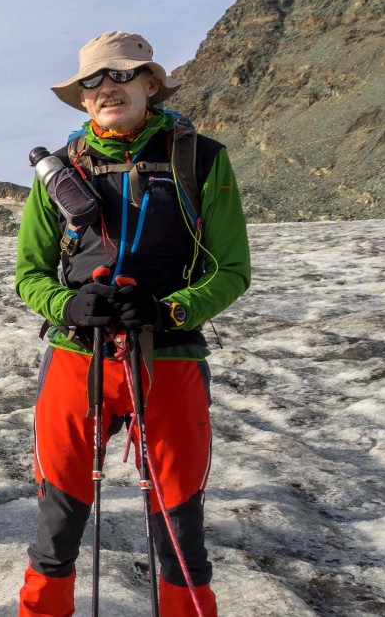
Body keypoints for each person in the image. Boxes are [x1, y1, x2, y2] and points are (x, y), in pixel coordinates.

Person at [16, 31, 251, 616]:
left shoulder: (201, 159)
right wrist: (68, 306)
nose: (106, 88)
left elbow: (231, 269)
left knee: (179, 525)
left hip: (168, 359)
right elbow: (30, 274)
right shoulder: (59, 172)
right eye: (92, 81)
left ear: (150, 84)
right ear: (82, 98)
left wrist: (169, 310)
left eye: (120, 75)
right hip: (79, 358)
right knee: (57, 522)